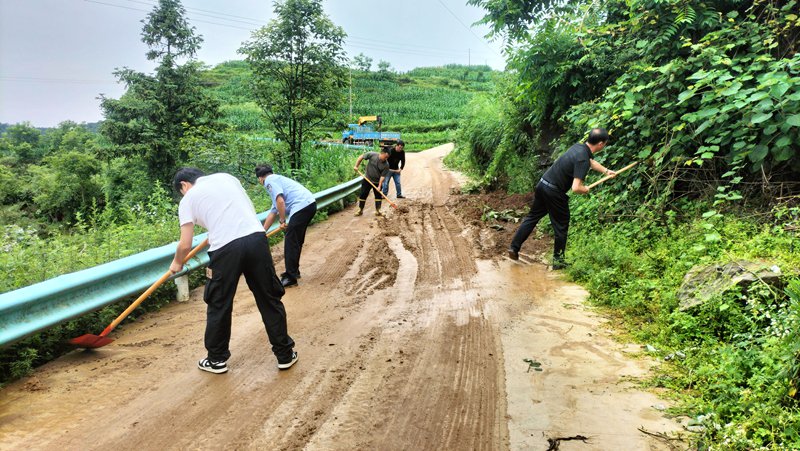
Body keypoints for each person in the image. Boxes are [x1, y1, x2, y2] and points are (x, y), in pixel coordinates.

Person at [170, 168, 297, 374]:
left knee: (219, 302)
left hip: (225, 250)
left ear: (184, 185)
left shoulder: (188, 199)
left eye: (182, 191)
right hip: (256, 239)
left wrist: (177, 263)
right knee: (269, 297)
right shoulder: (226, 178)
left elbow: (185, 245)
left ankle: (216, 360)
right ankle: (284, 355)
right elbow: (235, 210)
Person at [508, 128, 617, 269]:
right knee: (561, 226)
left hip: (543, 184)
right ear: (601, 143)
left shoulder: (579, 148)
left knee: (532, 217)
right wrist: (586, 189)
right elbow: (576, 187)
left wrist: (607, 171)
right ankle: (558, 263)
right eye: (606, 143)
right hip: (554, 192)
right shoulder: (583, 158)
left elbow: (591, 162)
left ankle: (514, 248)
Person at [256, 164, 317, 288]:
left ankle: (290, 277)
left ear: (260, 178)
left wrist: (283, 220)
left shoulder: (269, 181)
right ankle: (294, 271)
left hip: (301, 207)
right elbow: (274, 211)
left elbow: (280, 202)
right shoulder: (277, 179)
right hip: (309, 205)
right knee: (296, 241)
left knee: (291, 242)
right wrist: (262, 232)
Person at [353, 147, 390, 216]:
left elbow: (382, 177)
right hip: (367, 179)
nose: (385, 159)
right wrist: (356, 166)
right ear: (382, 153)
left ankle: (378, 210)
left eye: (387, 158)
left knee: (378, 196)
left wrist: (379, 186)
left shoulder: (386, 165)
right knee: (363, 194)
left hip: (377, 181)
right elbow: (361, 157)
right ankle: (360, 210)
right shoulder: (372, 155)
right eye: (385, 157)